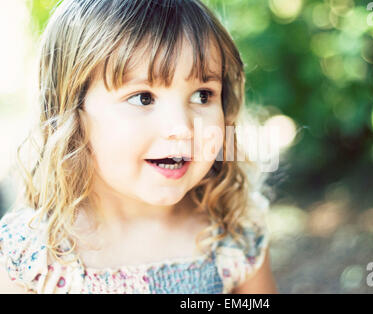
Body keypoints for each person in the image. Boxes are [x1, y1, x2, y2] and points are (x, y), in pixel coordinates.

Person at [0, 0, 278, 294]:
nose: (181, 128)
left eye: (202, 95)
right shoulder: (34, 259)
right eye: (143, 98)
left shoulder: (235, 235)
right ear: (73, 112)